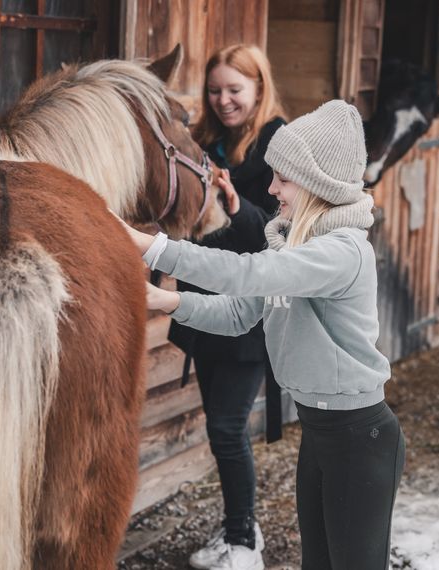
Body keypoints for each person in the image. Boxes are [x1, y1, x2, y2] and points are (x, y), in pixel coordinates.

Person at [123, 100, 406, 570]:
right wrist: (167, 302)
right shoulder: (301, 245)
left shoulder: (342, 252)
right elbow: (240, 313)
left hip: (360, 437)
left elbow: (246, 275)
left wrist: (154, 248)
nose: (272, 187)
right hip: (321, 433)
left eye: (283, 178)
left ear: (318, 183)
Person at [167, 44, 286, 569]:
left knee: (226, 427)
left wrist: (236, 206)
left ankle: (244, 543)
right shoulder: (203, 140)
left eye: (234, 90)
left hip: (252, 311)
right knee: (222, 424)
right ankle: (237, 530)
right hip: (206, 302)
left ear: (259, 88)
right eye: (214, 90)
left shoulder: (281, 143)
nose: (223, 100)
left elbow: (282, 233)